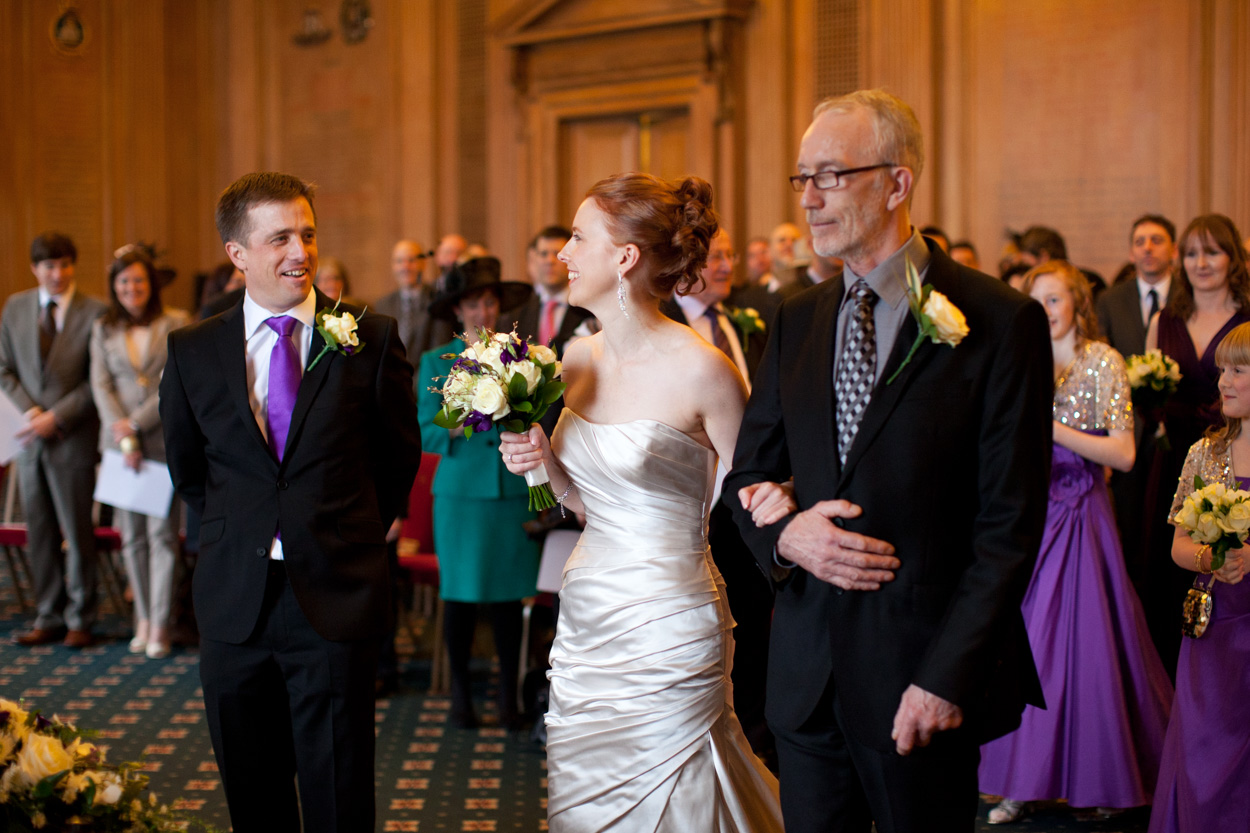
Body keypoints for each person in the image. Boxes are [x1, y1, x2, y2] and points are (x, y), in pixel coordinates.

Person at [723, 89, 1053, 833]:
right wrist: (785, 537)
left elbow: (1009, 525)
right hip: (807, 678)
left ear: (898, 183)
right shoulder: (797, 319)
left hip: (920, 675)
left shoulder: (1000, 321)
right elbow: (746, 476)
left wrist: (944, 677)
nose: (808, 198)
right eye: (800, 177)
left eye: (830, 175)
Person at [499, 172, 788, 831]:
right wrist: (543, 465)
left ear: (625, 257)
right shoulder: (573, 358)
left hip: (670, 623)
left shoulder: (702, 368)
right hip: (586, 618)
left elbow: (758, 494)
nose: (562, 254)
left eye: (576, 236)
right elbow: (583, 503)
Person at [160, 172, 421, 832]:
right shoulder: (193, 349)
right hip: (232, 600)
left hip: (334, 595)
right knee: (253, 794)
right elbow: (190, 470)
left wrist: (342, 530)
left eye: (306, 234)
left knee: (338, 793)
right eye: (279, 238)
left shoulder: (370, 335)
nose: (300, 252)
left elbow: (397, 461)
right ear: (237, 253)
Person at [979, 261, 1173, 823]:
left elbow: (1125, 454)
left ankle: (1101, 776)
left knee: (1085, 648)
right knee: (1024, 646)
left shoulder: (1102, 361)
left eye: (1055, 300)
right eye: (1034, 301)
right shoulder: (1021, 358)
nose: (1045, 311)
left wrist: (1052, 427)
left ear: (1077, 305)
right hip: (1027, 517)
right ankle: (1018, 779)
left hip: (1081, 516)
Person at [416, 256, 537, 728]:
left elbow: (537, 417)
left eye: (489, 302)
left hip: (509, 493)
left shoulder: (521, 356)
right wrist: (464, 414)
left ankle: (509, 699)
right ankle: (461, 698)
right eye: (473, 303)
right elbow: (423, 432)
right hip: (461, 497)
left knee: (509, 602)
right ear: (457, 310)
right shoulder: (435, 361)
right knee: (461, 598)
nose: (482, 311)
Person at [1149, 322, 1250, 833]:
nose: (1223, 382)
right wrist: (1214, 559)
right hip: (1215, 630)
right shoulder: (1204, 455)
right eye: (1221, 372)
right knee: (1205, 750)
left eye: (1238, 370)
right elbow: (1178, 546)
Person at [1143, 213, 1250, 679]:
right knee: (1167, 569)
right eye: (1191, 252)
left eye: (1213, 251)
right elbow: (1144, 391)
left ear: (1233, 258)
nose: (1200, 262)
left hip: (1241, 441)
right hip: (1182, 455)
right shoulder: (1166, 318)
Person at [1, 232, 106, 648]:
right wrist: (31, 413)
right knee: (39, 530)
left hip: (73, 435)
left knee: (78, 530)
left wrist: (56, 417)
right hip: (28, 437)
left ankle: (82, 616)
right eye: (48, 266)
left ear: (73, 266)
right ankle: (49, 614)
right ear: (35, 268)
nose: (57, 274)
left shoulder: (95, 310)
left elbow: (94, 379)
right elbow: (4, 368)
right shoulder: (16, 306)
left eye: (64, 265)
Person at [89, 247, 190, 659]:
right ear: (115, 286)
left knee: (162, 537)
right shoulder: (103, 328)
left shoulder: (176, 322)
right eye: (124, 281)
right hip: (119, 449)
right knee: (130, 538)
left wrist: (136, 425)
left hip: (161, 441)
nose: (132, 288)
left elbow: (174, 381)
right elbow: (100, 385)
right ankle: (143, 619)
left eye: (139, 281)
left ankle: (162, 622)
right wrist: (123, 434)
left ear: (152, 285)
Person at [1097, 214, 1178, 587]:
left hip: (1176, 428)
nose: (1147, 248)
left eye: (1156, 240)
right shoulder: (1112, 300)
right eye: (1140, 241)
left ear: (1173, 250)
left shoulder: (1186, 296)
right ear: (1131, 250)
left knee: (1170, 520)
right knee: (1129, 524)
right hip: (1126, 428)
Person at [505, 225, 593, 356]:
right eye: (543, 254)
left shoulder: (587, 308)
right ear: (535, 258)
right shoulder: (517, 310)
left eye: (557, 254)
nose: (549, 261)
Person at [374, 240, 444, 366]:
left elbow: (438, 354)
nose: (405, 267)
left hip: (426, 380)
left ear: (423, 263)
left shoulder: (438, 301)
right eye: (399, 261)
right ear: (392, 266)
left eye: (411, 260)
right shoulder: (382, 306)